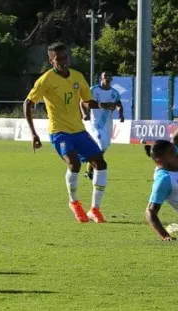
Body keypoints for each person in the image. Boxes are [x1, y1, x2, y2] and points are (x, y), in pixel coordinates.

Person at [23, 42, 111, 224]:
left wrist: (102, 105)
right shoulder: (46, 80)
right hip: (59, 132)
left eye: (65, 57)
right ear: (51, 61)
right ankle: (74, 203)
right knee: (74, 164)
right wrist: (33, 134)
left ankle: (94, 209)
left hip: (79, 131)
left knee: (101, 163)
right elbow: (28, 104)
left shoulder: (77, 77)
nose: (63, 61)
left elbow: (87, 100)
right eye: (58, 59)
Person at [82, 70, 124, 180]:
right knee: (101, 146)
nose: (107, 77)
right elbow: (83, 102)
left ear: (112, 79)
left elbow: (118, 104)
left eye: (109, 76)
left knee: (103, 147)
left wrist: (120, 113)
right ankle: (96, 169)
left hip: (108, 124)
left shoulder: (114, 93)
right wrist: (85, 114)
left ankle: (89, 170)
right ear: (101, 78)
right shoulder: (93, 90)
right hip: (95, 124)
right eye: (105, 76)